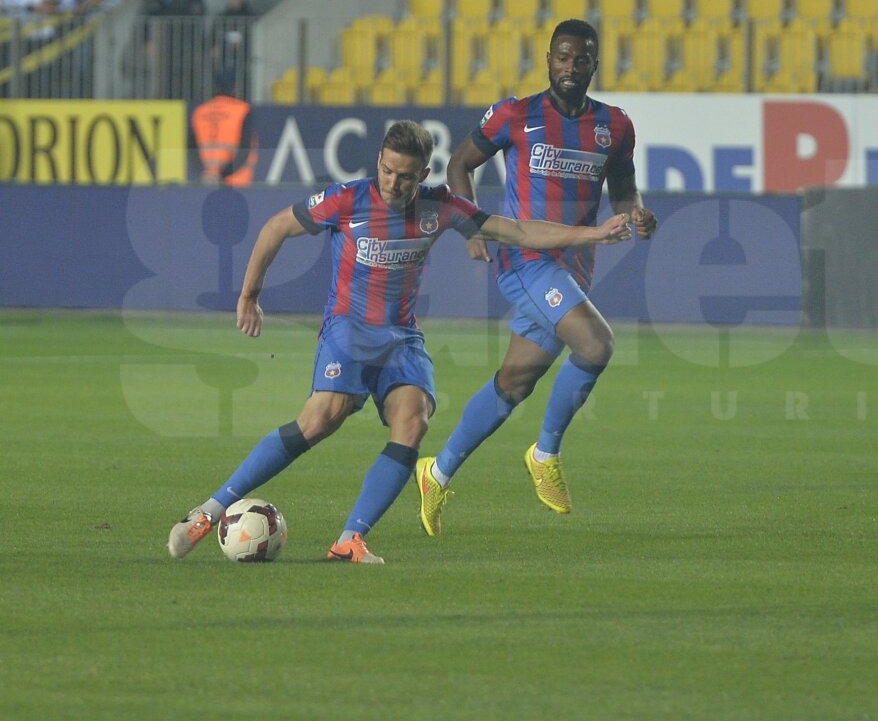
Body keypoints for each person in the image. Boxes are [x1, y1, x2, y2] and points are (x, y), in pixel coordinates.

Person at [166, 120, 633, 563]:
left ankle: (350, 539)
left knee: (413, 422)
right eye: (387, 170)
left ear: (423, 175)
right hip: (348, 330)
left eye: (405, 176)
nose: (393, 182)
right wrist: (249, 295)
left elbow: (520, 230)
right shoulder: (346, 200)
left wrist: (594, 234)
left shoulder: (439, 207)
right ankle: (208, 512)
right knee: (321, 418)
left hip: (401, 339)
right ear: (378, 161)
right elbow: (275, 228)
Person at [413, 18, 657, 538]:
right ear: (548, 59)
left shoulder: (615, 125)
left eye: (581, 59)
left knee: (515, 381)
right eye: (562, 57)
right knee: (596, 344)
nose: (571, 67)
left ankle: (437, 473)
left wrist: (635, 212)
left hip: (574, 266)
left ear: (594, 64)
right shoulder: (515, 114)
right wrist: (472, 227)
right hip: (525, 260)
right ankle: (545, 454)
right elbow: (458, 166)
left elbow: (623, 189)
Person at [143, 0, 204, 100]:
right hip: (163, 56)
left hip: (184, 58)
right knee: (163, 92)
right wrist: (147, 41)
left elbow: (196, 27)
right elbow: (146, 19)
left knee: (184, 92)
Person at [190, 69, 257, 186]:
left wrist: (207, 173)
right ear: (235, 88)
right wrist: (222, 175)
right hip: (236, 182)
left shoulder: (200, 112)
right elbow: (244, 150)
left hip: (207, 182)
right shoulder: (242, 110)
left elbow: (191, 148)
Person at [209, 0, 254, 100]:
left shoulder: (253, 18)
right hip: (222, 78)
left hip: (247, 76)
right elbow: (211, 46)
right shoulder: (220, 19)